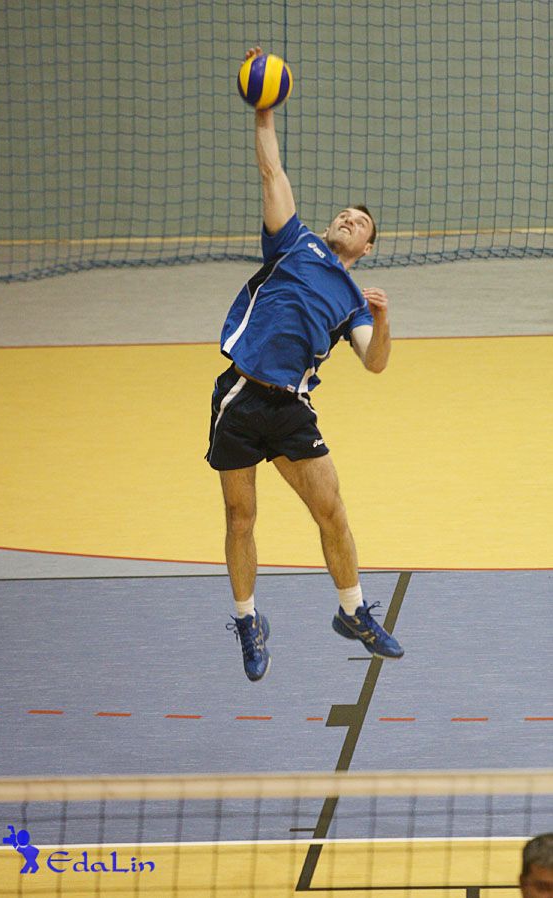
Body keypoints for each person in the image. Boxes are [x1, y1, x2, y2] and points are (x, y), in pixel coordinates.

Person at [206, 46, 404, 681]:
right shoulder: (294, 241)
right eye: (346, 213)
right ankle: (248, 621)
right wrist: (263, 109)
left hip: (290, 408)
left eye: (360, 223)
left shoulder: (353, 300)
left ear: (366, 248)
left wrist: (385, 318)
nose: (348, 219)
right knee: (241, 517)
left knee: (331, 509)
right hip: (241, 396)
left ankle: (352, 611)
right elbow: (272, 171)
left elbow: (375, 362)